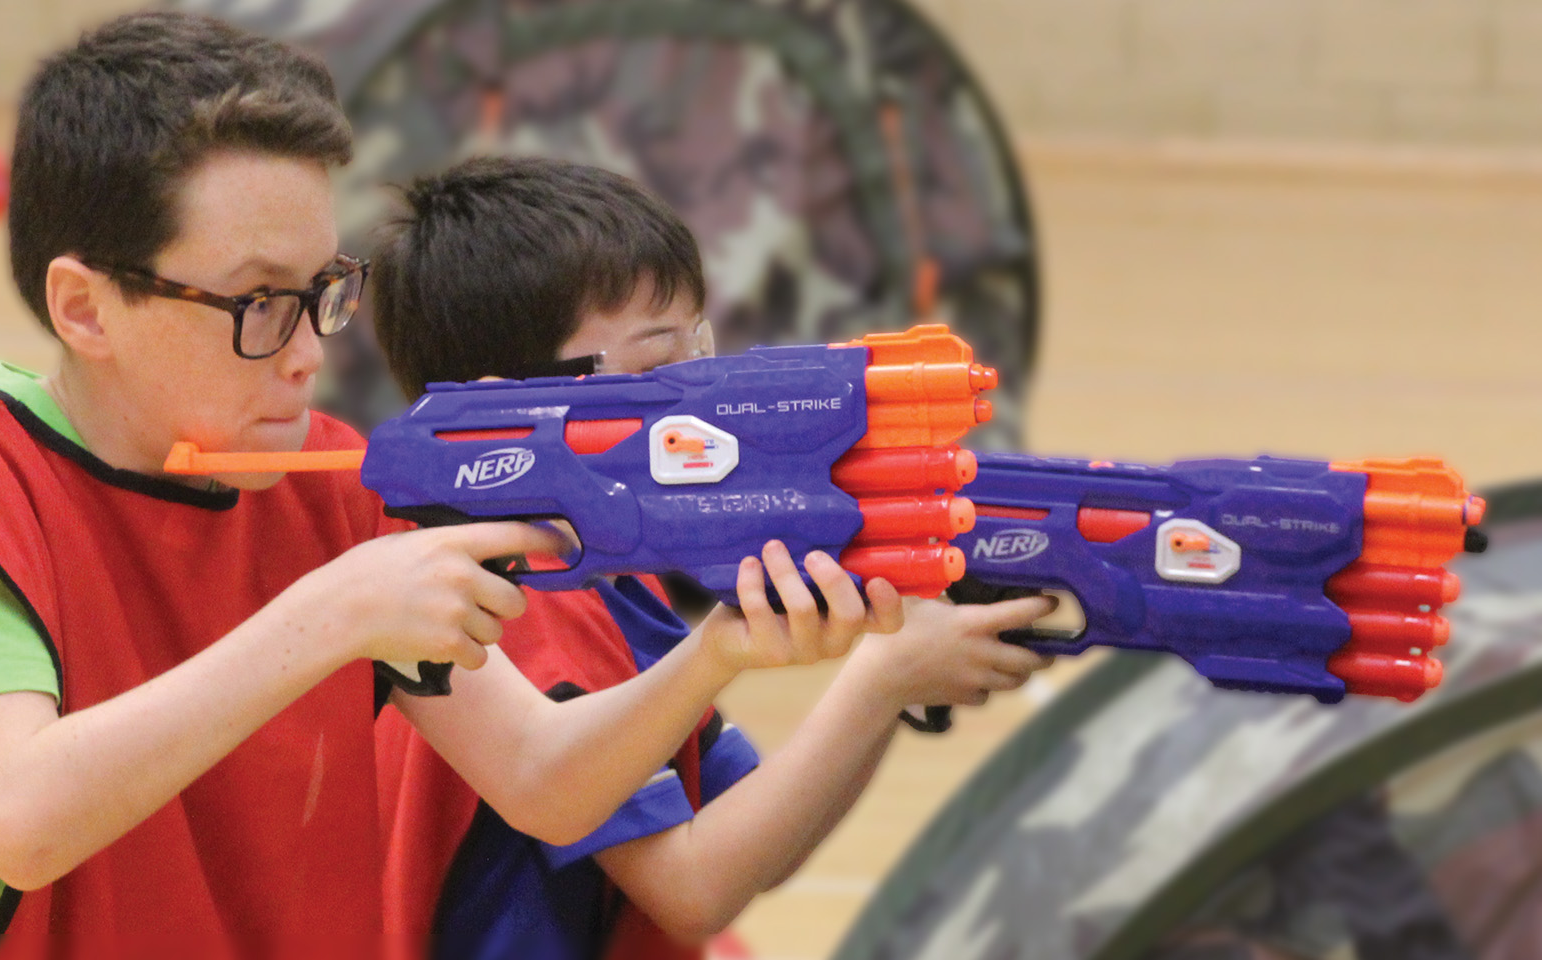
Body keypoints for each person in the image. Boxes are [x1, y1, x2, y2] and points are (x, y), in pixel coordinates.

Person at [0, 14, 903, 960]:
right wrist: (329, 616)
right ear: (86, 309)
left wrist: (718, 656)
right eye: (257, 301)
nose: (306, 350)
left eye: (322, 289)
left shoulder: (333, 487)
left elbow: (545, 783)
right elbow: (23, 817)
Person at [370, 155, 1057, 960]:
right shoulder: (526, 607)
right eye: (659, 368)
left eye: (699, 346)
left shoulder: (607, 571)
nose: (700, 390)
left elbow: (748, 827)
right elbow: (691, 887)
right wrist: (882, 676)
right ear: (508, 407)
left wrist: (886, 685)